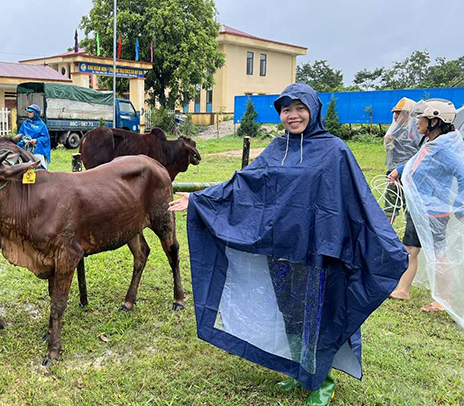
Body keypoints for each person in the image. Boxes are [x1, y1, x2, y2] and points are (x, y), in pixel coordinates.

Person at [169, 83, 408, 405]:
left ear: (313, 110)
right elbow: (245, 184)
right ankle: (300, 371)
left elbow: (356, 199)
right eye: (286, 109)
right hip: (282, 249)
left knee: (319, 313)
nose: (292, 115)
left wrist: (381, 242)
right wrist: (199, 200)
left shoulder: (334, 150)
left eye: (299, 108)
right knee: (291, 313)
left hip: (322, 250)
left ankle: (322, 381)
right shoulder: (276, 149)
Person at [387, 99, 464, 324]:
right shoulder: (432, 143)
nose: (417, 121)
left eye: (421, 118)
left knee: (438, 255)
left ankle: (443, 300)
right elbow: (418, 161)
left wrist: (461, 204)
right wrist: (399, 171)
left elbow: (462, 173)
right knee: (410, 248)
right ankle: (403, 290)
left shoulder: (445, 148)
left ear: (435, 121)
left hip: (433, 211)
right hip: (419, 206)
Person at [382, 98, 421, 223]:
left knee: (410, 209)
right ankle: (385, 237)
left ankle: (411, 239)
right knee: (389, 206)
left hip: (411, 176)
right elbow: (391, 153)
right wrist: (389, 142)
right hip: (394, 175)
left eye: (399, 114)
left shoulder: (418, 131)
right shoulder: (395, 130)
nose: (396, 117)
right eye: (395, 114)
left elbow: (419, 155)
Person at [17, 104, 50, 170]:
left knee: (38, 167)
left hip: (37, 150)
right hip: (26, 149)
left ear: (36, 113)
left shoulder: (42, 125)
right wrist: (23, 141)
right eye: (28, 112)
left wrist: (36, 140)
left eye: (31, 112)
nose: (29, 114)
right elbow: (20, 135)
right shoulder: (25, 123)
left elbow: (45, 138)